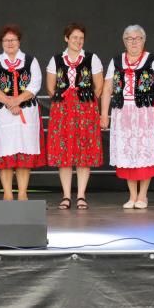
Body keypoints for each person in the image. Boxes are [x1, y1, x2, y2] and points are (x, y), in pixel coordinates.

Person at [100, 25, 154, 209]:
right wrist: (104, 114)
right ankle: (132, 195)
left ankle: (143, 195)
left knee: (144, 152)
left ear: (144, 40)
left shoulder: (153, 60)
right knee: (126, 152)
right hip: (122, 113)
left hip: (145, 112)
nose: (133, 42)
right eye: (129, 39)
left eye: (137, 38)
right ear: (124, 41)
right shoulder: (116, 61)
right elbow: (107, 89)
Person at [0, 24, 46, 201]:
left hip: (26, 111)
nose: (10, 43)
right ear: (1, 42)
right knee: (5, 153)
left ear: (19, 42)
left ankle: (22, 192)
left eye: (13, 40)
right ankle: (7, 193)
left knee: (24, 152)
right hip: (2, 114)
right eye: (6, 40)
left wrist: (17, 100)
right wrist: (9, 102)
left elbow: (35, 84)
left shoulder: (30, 61)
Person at [46, 23, 103, 210]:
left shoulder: (92, 58)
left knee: (83, 151)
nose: (78, 41)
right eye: (74, 38)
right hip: (63, 111)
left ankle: (81, 195)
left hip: (85, 109)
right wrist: (64, 100)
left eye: (81, 38)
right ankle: (66, 195)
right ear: (66, 38)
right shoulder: (56, 59)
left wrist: (86, 102)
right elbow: (50, 87)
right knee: (64, 152)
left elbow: (99, 87)